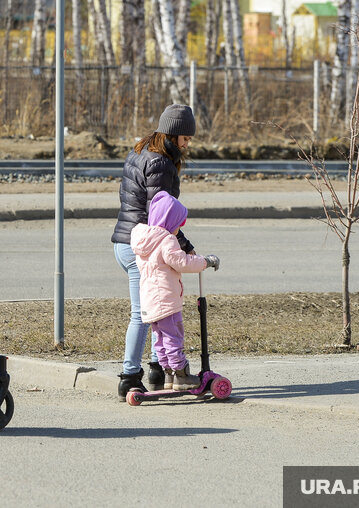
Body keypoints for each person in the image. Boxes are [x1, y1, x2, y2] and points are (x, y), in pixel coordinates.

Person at [110, 103, 197, 401]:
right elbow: (160, 214)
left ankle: (158, 369)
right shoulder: (160, 163)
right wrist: (183, 245)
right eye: (185, 137)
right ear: (172, 135)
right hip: (144, 247)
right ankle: (129, 376)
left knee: (157, 309)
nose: (188, 143)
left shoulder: (139, 152)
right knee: (145, 314)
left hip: (125, 243)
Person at [131, 191, 219, 390]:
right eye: (179, 224)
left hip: (149, 300)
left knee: (160, 338)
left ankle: (169, 374)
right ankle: (181, 374)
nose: (179, 229)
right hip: (166, 299)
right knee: (173, 336)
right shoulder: (166, 240)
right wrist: (205, 262)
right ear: (170, 221)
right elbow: (182, 262)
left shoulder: (143, 241)